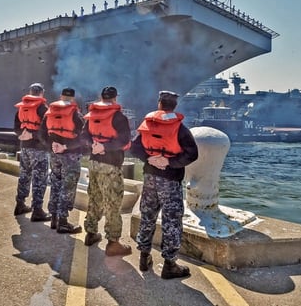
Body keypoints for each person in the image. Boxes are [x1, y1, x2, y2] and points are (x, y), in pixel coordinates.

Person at [130, 91, 198, 279]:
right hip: (170, 179)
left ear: (159, 103)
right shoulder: (181, 128)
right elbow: (192, 154)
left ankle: (144, 257)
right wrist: (169, 162)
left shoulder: (147, 124)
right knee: (172, 221)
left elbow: (134, 147)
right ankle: (169, 265)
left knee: (147, 215)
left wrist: (150, 159)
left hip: (150, 177)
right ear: (174, 106)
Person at [81, 86, 132, 256]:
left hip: (94, 163)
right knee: (113, 203)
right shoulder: (119, 117)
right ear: (115, 99)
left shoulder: (92, 115)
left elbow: (84, 136)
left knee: (94, 198)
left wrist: (95, 146)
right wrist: (106, 147)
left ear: (101, 97)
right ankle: (113, 242)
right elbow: (124, 140)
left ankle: (90, 233)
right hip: (111, 166)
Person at [40, 87, 85, 234]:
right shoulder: (76, 114)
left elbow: (41, 134)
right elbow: (82, 138)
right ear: (72, 98)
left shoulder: (49, 113)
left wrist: (52, 146)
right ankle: (63, 222)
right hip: (70, 156)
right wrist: (65, 146)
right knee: (68, 188)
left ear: (61, 96)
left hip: (54, 155)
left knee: (55, 184)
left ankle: (53, 218)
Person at [13, 83, 51, 222]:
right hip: (39, 149)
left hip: (24, 147)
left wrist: (22, 135)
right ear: (41, 93)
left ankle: (20, 204)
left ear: (30, 92)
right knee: (39, 180)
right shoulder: (42, 108)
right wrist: (33, 135)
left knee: (24, 176)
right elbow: (45, 130)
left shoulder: (22, 107)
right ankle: (37, 211)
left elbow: (16, 127)